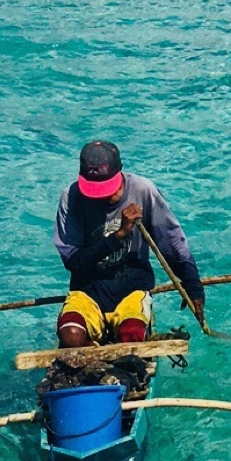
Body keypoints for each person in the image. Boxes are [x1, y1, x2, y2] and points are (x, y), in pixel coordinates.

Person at [54, 140, 205, 346]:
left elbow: (172, 242)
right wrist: (120, 235)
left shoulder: (143, 191)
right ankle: (95, 356)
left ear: (120, 172)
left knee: (131, 334)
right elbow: (73, 262)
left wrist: (192, 285)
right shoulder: (71, 198)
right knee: (71, 334)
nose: (102, 197)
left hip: (131, 290)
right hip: (87, 291)